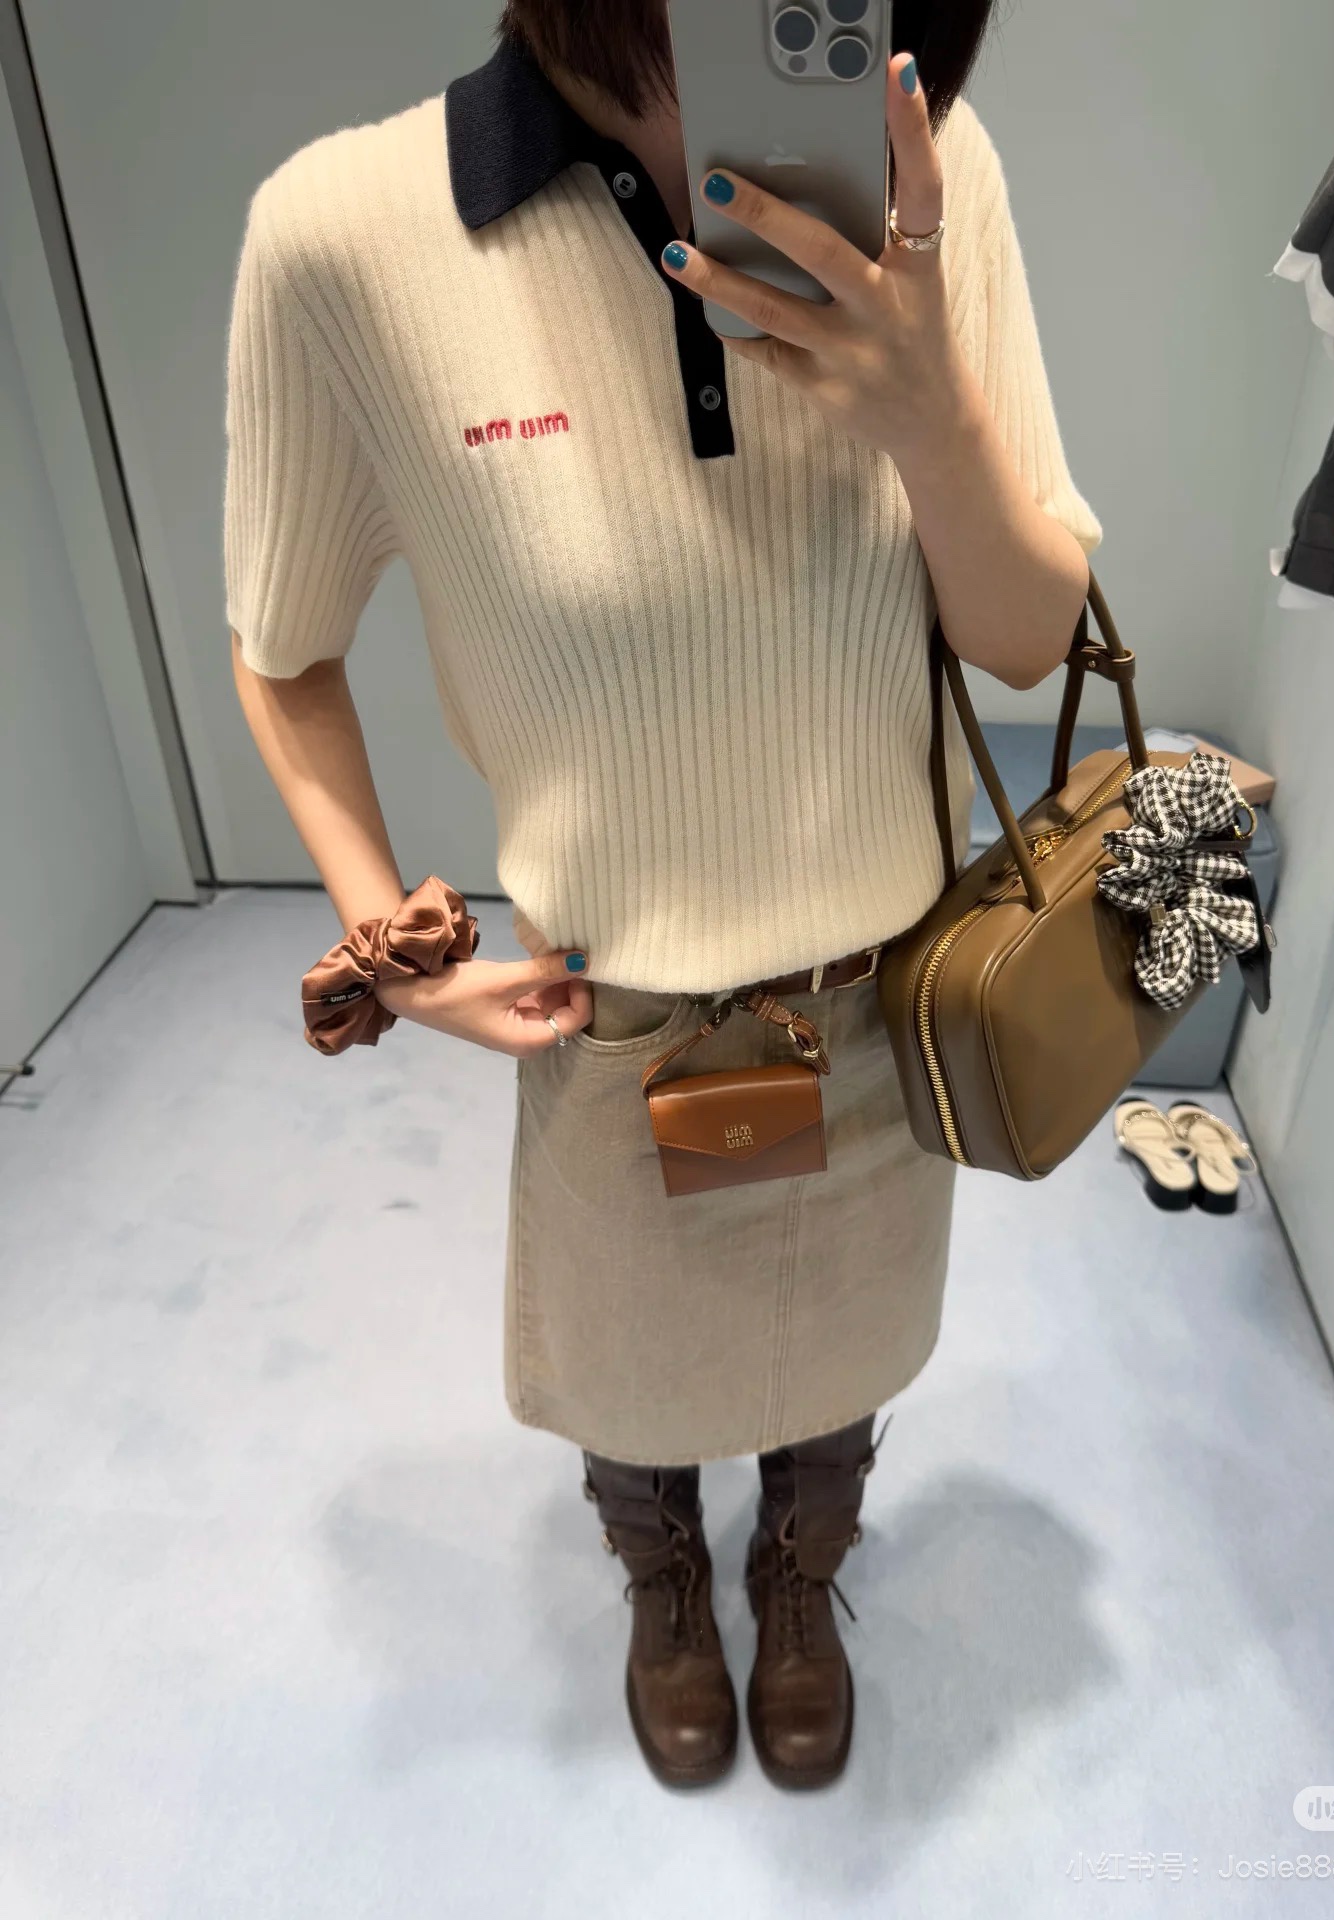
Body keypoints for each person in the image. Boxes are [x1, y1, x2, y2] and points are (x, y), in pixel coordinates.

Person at [224, 0, 1100, 1791]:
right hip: (612, 1025)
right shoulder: (350, 235)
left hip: (887, 1007)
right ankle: (664, 1578)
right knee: (629, 1378)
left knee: (841, 1357)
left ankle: (801, 1566)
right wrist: (396, 949)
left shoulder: (927, 169)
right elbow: (283, 651)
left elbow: (1026, 641)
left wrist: (926, 411)